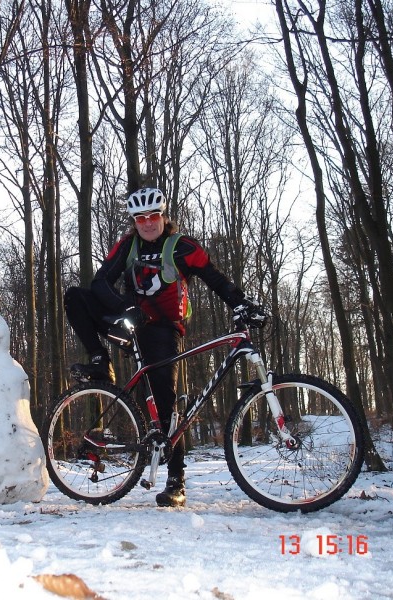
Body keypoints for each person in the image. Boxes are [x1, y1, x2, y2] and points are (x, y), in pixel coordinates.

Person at [63, 187, 266, 507]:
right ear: (134, 221)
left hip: (164, 330)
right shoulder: (128, 245)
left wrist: (241, 304)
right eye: (140, 217)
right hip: (131, 323)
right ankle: (101, 361)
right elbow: (100, 282)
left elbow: (215, 279)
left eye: (153, 215)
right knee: (75, 297)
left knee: (165, 404)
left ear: (163, 216)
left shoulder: (181, 246)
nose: (147, 222)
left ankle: (175, 480)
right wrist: (124, 308)